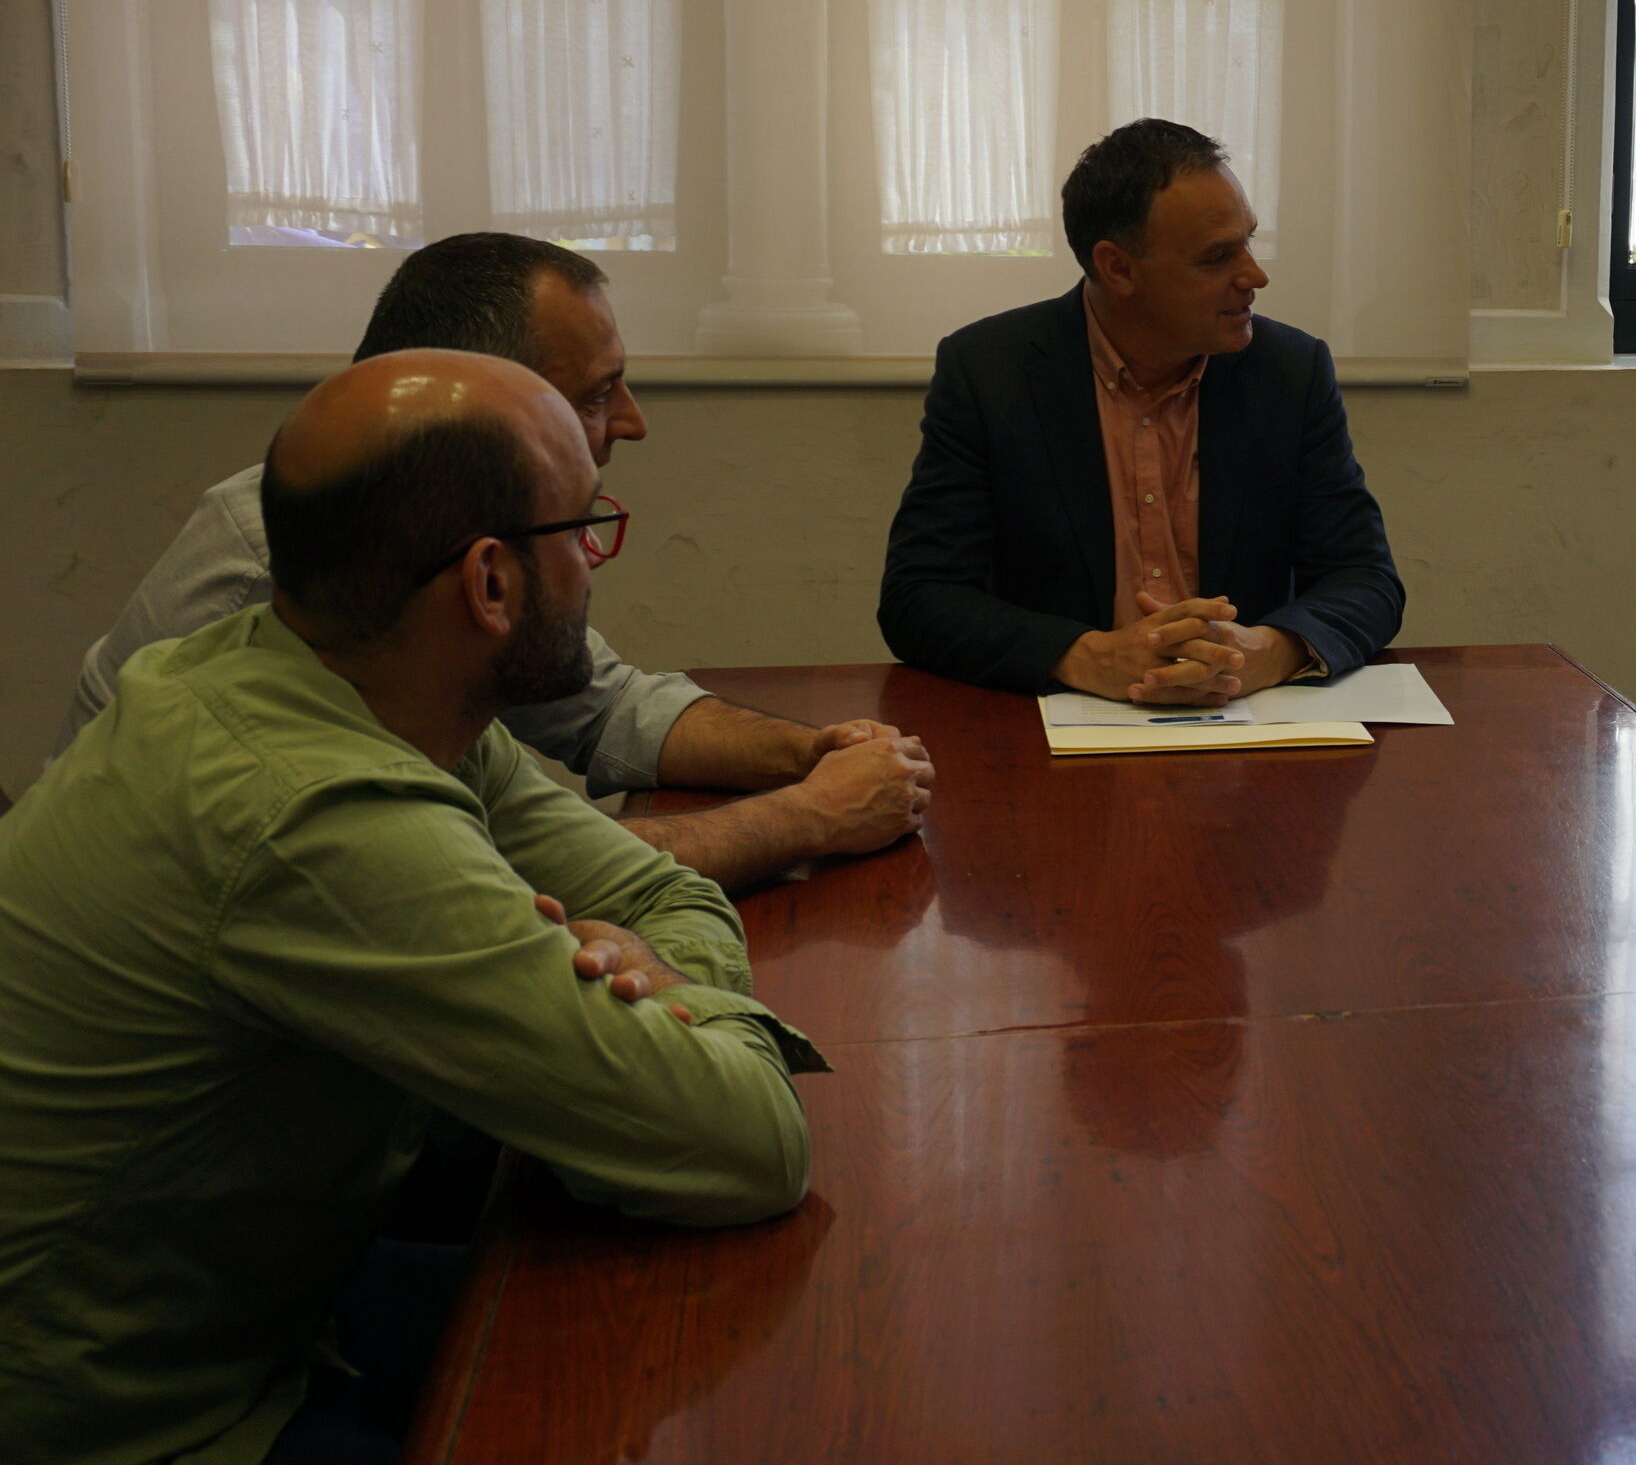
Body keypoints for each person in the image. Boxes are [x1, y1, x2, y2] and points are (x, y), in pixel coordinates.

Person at [0, 352, 824, 1465]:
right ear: (489, 583)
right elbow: (753, 1147)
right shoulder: (318, 811)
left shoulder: (334, 680)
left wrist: (654, 976)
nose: (592, 557)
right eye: (585, 525)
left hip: (273, 1303)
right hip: (148, 1419)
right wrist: (681, 1001)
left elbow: (653, 890)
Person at [55, 233, 932, 888]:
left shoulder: (442, 548)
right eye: (594, 395)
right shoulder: (294, 570)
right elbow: (463, 884)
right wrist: (808, 817)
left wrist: (812, 753)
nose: (631, 422)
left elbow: (600, 710)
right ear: (490, 403)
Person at [880, 118, 1403, 703]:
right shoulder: (992, 372)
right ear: (1118, 268)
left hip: (1250, 722)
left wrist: (1267, 651)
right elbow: (919, 596)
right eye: (1217, 257)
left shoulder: (1289, 370)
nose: (1255, 275)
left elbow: (1366, 579)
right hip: (1062, 732)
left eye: (1249, 242)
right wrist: (1083, 656)